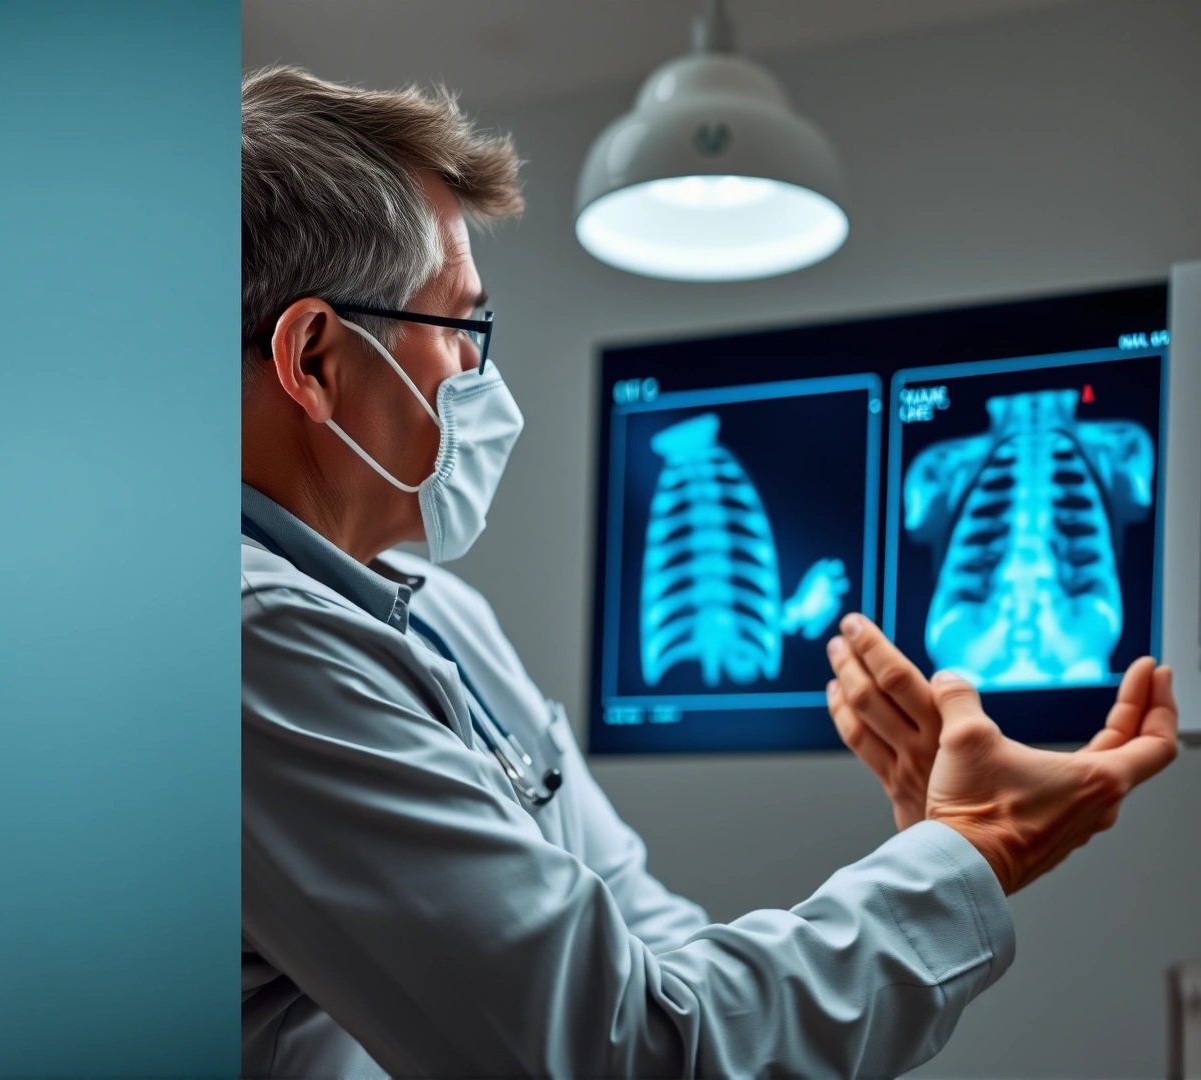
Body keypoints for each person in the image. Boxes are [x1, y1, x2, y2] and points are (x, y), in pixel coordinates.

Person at [239, 65, 1181, 1079]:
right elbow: (630, 1052)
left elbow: (650, 962)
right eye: (467, 331)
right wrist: (974, 849)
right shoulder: (252, 643)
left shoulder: (443, 622)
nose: (483, 379)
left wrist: (939, 849)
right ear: (317, 360)